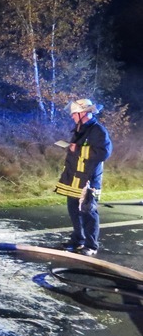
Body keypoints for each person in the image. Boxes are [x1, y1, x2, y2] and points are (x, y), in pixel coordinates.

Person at [55, 98, 113, 256]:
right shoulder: (80, 130)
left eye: (74, 114)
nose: (72, 117)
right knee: (74, 210)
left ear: (84, 113)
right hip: (74, 178)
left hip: (88, 180)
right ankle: (78, 240)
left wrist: (78, 149)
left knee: (88, 212)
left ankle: (91, 245)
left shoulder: (97, 131)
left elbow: (104, 152)